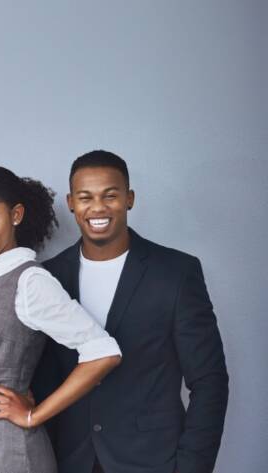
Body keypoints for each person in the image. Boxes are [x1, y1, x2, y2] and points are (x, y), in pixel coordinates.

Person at [32, 150, 229, 473]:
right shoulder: (49, 276)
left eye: (110, 195)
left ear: (130, 199)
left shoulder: (176, 272)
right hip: (69, 460)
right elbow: (45, 377)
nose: (97, 207)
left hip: (152, 461)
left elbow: (210, 381)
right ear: (70, 203)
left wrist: (193, 467)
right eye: (85, 197)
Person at [0, 165, 122, 473]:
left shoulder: (30, 281)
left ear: (15, 215)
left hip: (8, 453)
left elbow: (103, 353)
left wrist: (33, 415)